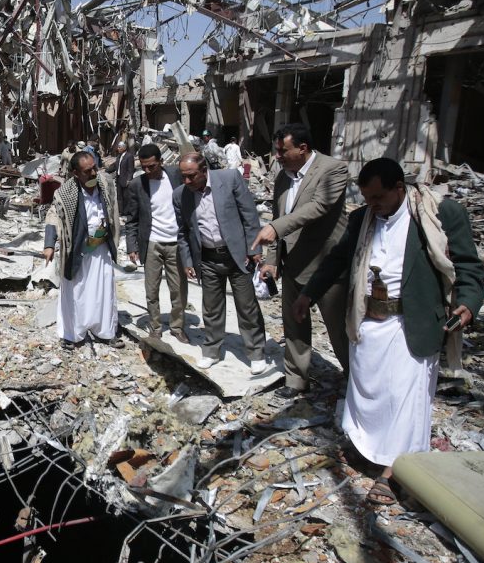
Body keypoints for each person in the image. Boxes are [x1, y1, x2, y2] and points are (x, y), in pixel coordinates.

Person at [292, 158, 484, 505]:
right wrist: (309, 293)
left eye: (378, 197)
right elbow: (337, 259)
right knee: (371, 392)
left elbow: (469, 264)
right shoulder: (362, 219)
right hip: (369, 319)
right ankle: (371, 449)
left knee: (406, 398)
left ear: (399, 188)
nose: (372, 205)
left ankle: (396, 471)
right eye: (366, 198)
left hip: (413, 321)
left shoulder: (439, 214)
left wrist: (469, 303)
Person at [251, 123, 351, 397]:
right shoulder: (283, 176)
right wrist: (272, 260)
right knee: (294, 327)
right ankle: (296, 380)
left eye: (283, 151)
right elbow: (276, 215)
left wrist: (277, 227)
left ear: (303, 148)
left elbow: (319, 206)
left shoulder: (333, 169)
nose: (277, 156)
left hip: (327, 266)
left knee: (339, 330)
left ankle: (354, 378)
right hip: (294, 263)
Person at [176, 153, 269, 374]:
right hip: (207, 259)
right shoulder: (180, 195)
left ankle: (256, 353)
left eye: (191, 176)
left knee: (247, 307)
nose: (187, 181)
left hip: (237, 256)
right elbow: (183, 232)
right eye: (183, 177)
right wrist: (188, 260)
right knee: (211, 308)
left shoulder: (229, 179)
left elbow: (249, 215)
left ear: (204, 170)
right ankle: (211, 350)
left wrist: (254, 248)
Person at [44, 151, 124, 347]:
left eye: (95, 168)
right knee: (76, 292)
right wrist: (49, 244)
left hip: (101, 248)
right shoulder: (65, 193)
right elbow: (53, 216)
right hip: (77, 249)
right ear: (75, 173)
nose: (94, 173)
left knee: (103, 291)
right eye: (88, 171)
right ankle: (72, 335)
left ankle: (105, 332)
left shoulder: (105, 185)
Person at [124, 144, 189, 342]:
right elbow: (132, 218)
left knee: (178, 289)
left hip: (176, 243)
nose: (147, 171)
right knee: (151, 289)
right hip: (151, 243)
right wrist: (132, 246)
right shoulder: (137, 184)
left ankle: (177, 327)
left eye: (151, 166)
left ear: (161, 161)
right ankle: (155, 326)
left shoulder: (176, 176)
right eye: (144, 167)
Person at [108, 140, 136, 210]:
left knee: (126, 197)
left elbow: (131, 169)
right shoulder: (119, 156)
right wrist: (107, 171)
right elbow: (115, 166)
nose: (118, 149)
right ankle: (121, 211)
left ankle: (127, 211)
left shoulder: (129, 156)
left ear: (124, 148)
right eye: (118, 147)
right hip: (119, 179)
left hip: (125, 180)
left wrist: (129, 180)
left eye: (119, 147)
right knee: (119, 196)